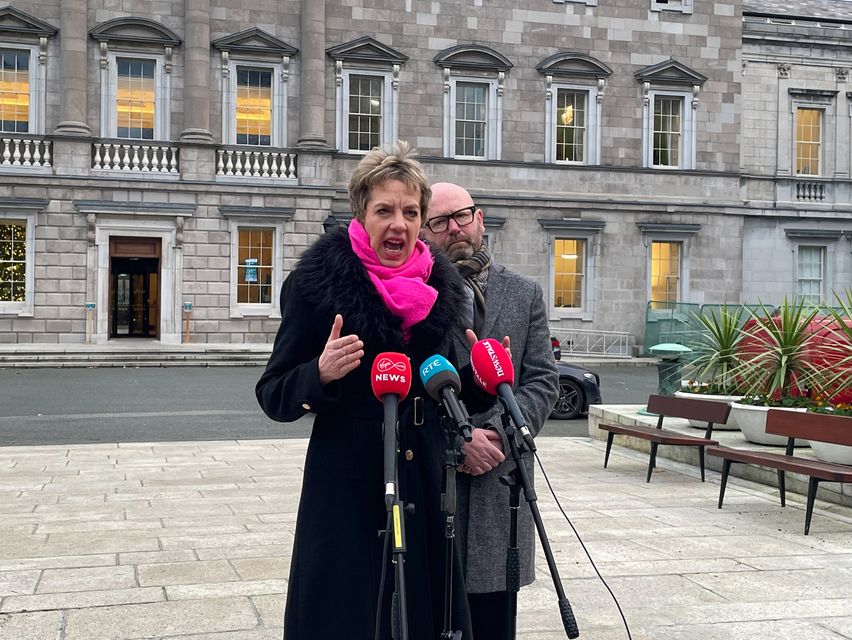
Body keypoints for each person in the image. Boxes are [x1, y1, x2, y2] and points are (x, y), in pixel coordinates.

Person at [256, 144, 477, 640]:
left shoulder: (444, 291)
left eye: (410, 211)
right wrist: (319, 372)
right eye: (384, 210)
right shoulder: (315, 285)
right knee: (348, 614)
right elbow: (273, 393)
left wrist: (482, 382)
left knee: (422, 612)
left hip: (422, 476)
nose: (398, 223)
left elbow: (450, 388)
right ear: (361, 214)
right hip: (347, 486)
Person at [421, 182, 559, 640]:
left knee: (494, 619)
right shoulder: (417, 296)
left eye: (460, 216)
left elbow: (542, 380)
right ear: (425, 232)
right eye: (438, 222)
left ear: (479, 218)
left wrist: (499, 436)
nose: (453, 229)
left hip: (504, 486)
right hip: (438, 482)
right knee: (433, 613)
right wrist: (460, 442)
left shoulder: (523, 293)